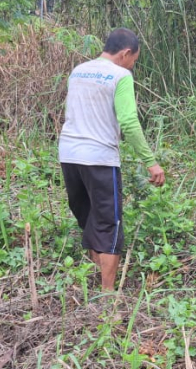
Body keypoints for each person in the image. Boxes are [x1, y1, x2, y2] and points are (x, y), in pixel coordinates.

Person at [59, 28, 165, 291]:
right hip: (100, 159)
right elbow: (128, 122)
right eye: (134, 60)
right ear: (125, 53)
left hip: (69, 155)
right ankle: (106, 297)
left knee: (89, 218)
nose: (132, 66)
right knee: (109, 225)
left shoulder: (78, 71)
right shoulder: (121, 76)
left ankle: (96, 281)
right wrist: (150, 162)